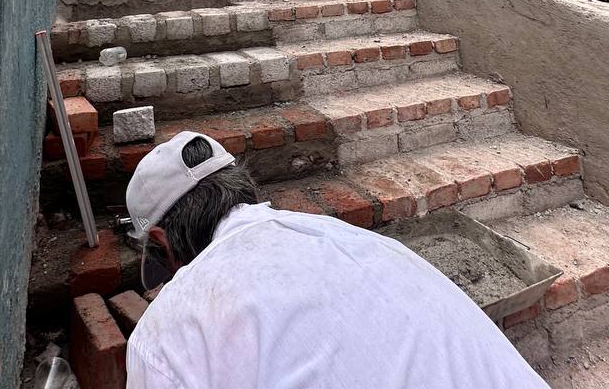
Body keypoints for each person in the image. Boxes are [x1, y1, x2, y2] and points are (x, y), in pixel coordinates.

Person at [125, 131, 550, 389]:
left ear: (163, 241)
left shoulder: (166, 334)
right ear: (243, 188)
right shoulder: (362, 242)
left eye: (165, 265)